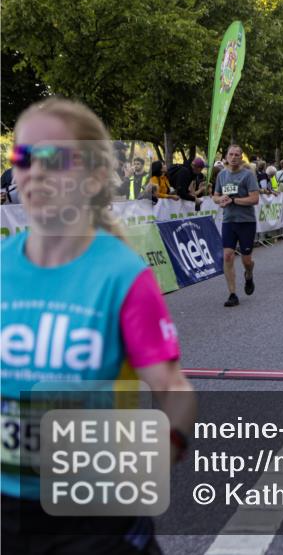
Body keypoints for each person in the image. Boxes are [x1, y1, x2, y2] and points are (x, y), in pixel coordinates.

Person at [2, 98, 195, 554]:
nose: (34, 172)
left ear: (90, 177)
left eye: (52, 158)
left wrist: (157, 455)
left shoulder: (121, 274)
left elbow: (174, 389)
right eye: (23, 158)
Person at [212, 144, 259, 307]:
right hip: (228, 221)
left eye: (237, 155)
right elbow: (215, 196)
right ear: (226, 156)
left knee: (246, 260)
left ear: (241, 157)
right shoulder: (222, 175)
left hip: (246, 222)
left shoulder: (248, 175)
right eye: (230, 154)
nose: (233, 157)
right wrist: (220, 200)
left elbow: (255, 199)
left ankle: (249, 273)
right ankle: (232, 294)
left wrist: (234, 200)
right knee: (228, 256)